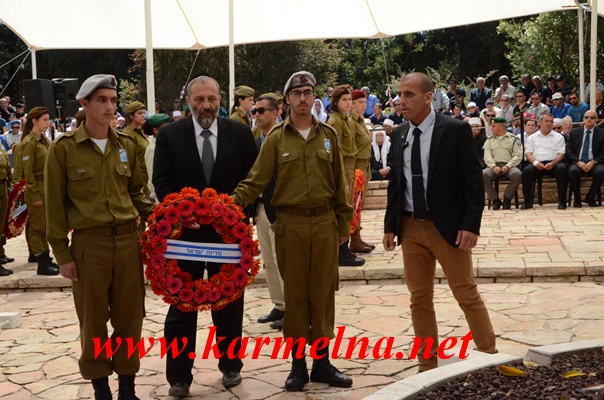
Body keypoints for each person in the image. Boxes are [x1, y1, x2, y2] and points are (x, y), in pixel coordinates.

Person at [231, 71, 353, 392]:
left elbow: (340, 185)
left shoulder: (328, 136)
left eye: (308, 92)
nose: (302, 98)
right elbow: (255, 181)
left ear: (315, 98)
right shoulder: (275, 140)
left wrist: (343, 226)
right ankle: (298, 366)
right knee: (296, 295)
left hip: (325, 223)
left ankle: (323, 364)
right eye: (296, 93)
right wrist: (226, 206)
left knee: (323, 294)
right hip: (290, 224)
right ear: (287, 100)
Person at [45, 74, 154, 400]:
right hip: (88, 246)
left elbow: (137, 193)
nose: (110, 107)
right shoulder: (64, 150)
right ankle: (100, 388)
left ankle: (127, 389)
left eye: (112, 100)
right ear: (84, 104)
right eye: (102, 100)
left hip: (127, 241)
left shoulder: (128, 145)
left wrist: (163, 224)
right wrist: (63, 256)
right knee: (92, 322)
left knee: (130, 319)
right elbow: (54, 207)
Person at [383, 72, 496, 372]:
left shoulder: (455, 129)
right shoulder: (399, 133)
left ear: (428, 96)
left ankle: (488, 355)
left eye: (409, 95)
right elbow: (396, 182)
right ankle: (426, 365)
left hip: (448, 228)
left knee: (466, 293)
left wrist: (471, 225)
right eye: (399, 95)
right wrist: (390, 226)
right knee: (419, 298)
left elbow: (473, 181)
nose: (401, 101)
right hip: (410, 227)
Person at [153, 76, 258, 396]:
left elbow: (251, 178)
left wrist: (235, 215)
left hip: (227, 238)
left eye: (211, 98)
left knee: (229, 303)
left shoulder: (239, 133)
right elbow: (162, 181)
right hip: (185, 237)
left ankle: (230, 366)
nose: (206, 105)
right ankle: (179, 377)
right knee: (181, 305)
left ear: (220, 99)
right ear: (188, 101)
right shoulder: (170, 135)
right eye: (199, 99)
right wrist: (181, 213)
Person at [252, 94, 285, 331]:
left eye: (261, 110)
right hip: (262, 206)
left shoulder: (284, 138)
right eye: (254, 111)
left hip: (280, 208)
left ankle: (292, 308)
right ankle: (280, 304)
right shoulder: (257, 140)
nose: (257, 115)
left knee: (284, 260)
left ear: (275, 113)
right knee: (269, 261)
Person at [327, 85, 366, 263]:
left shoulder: (343, 119)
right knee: (343, 209)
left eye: (350, 99)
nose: (348, 103)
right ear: (335, 102)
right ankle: (341, 250)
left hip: (350, 166)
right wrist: (342, 177)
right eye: (344, 100)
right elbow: (335, 152)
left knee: (348, 208)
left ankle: (345, 247)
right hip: (343, 167)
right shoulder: (335, 121)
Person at [21, 107, 60, 276]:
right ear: (34, 121)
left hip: (46, 188)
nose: (47, 123)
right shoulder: (29, 142)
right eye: (44, 120)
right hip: (36, 188)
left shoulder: (42, 141)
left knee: (44, 226)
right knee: (37, 228)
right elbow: (27, 173)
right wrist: (34, 195)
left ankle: (46, 257)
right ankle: (41, 260)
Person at [521, 113, 568, 210]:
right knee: (527, 171)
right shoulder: (532, 138)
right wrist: (536, 163)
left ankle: (562, 201)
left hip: (554, 163)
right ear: (540, 122)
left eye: (551, 121)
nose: (549, 123)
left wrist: (553, 163)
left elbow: (561, 154)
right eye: (546, 121)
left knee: (562, 168)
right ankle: (527, 202)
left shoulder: (559, 137)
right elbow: (528, 154)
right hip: (537, 163)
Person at [350, 89, 374, 252]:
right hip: (356, 168)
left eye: (364, 102)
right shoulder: (351, 122)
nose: (363, 105)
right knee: (355, 204)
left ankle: (357, 237)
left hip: (364, 166)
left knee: (360, 204)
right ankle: (354, 239)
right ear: (352, 104)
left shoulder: (360, 120)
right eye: (359, 102)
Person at [483, 117, 523, 210]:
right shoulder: (489, 140)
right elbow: (487, 157)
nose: (491, 128)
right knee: (483, 174)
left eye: (493, 126)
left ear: (500, 127)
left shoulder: (513, 139)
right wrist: (493, 167)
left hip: (509, 165)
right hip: (494, 165)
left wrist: (508, 166)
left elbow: (518, 155)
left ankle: (507, 199)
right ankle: (495, 200)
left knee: (517, 174)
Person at [566, 110, 604, 207]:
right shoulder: (574, 132)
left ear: (596, 119)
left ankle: (590, 197)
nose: (589, 119)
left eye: (592, 117)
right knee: (572, 171)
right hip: (578, 162)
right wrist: (578, 162)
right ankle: (577, 200)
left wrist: (593, 162)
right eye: (587, 117)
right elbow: (569, 151)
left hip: (594, 162)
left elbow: (603, 154)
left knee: (601, 171)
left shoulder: (602, 133)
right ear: (583, 119)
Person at [122, 101, 150, 197]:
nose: (143, 115)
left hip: (146, 174)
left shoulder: (140, 131)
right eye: (139, 113)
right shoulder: (128, 134)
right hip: (138, 177)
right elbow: (127, 159)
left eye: (143, 112)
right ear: (131, 116)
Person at [142, 113, 171, 204]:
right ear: (156, 130)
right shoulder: (153, 149)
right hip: (159, 200)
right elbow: (152, 178)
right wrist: (159, 201)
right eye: (166, 127)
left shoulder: (166, 145)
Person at [0, 142, 14, 276]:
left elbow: (6, 165)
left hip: (3, 187)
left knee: (1, 224)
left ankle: (0, 253)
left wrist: (10, 181)